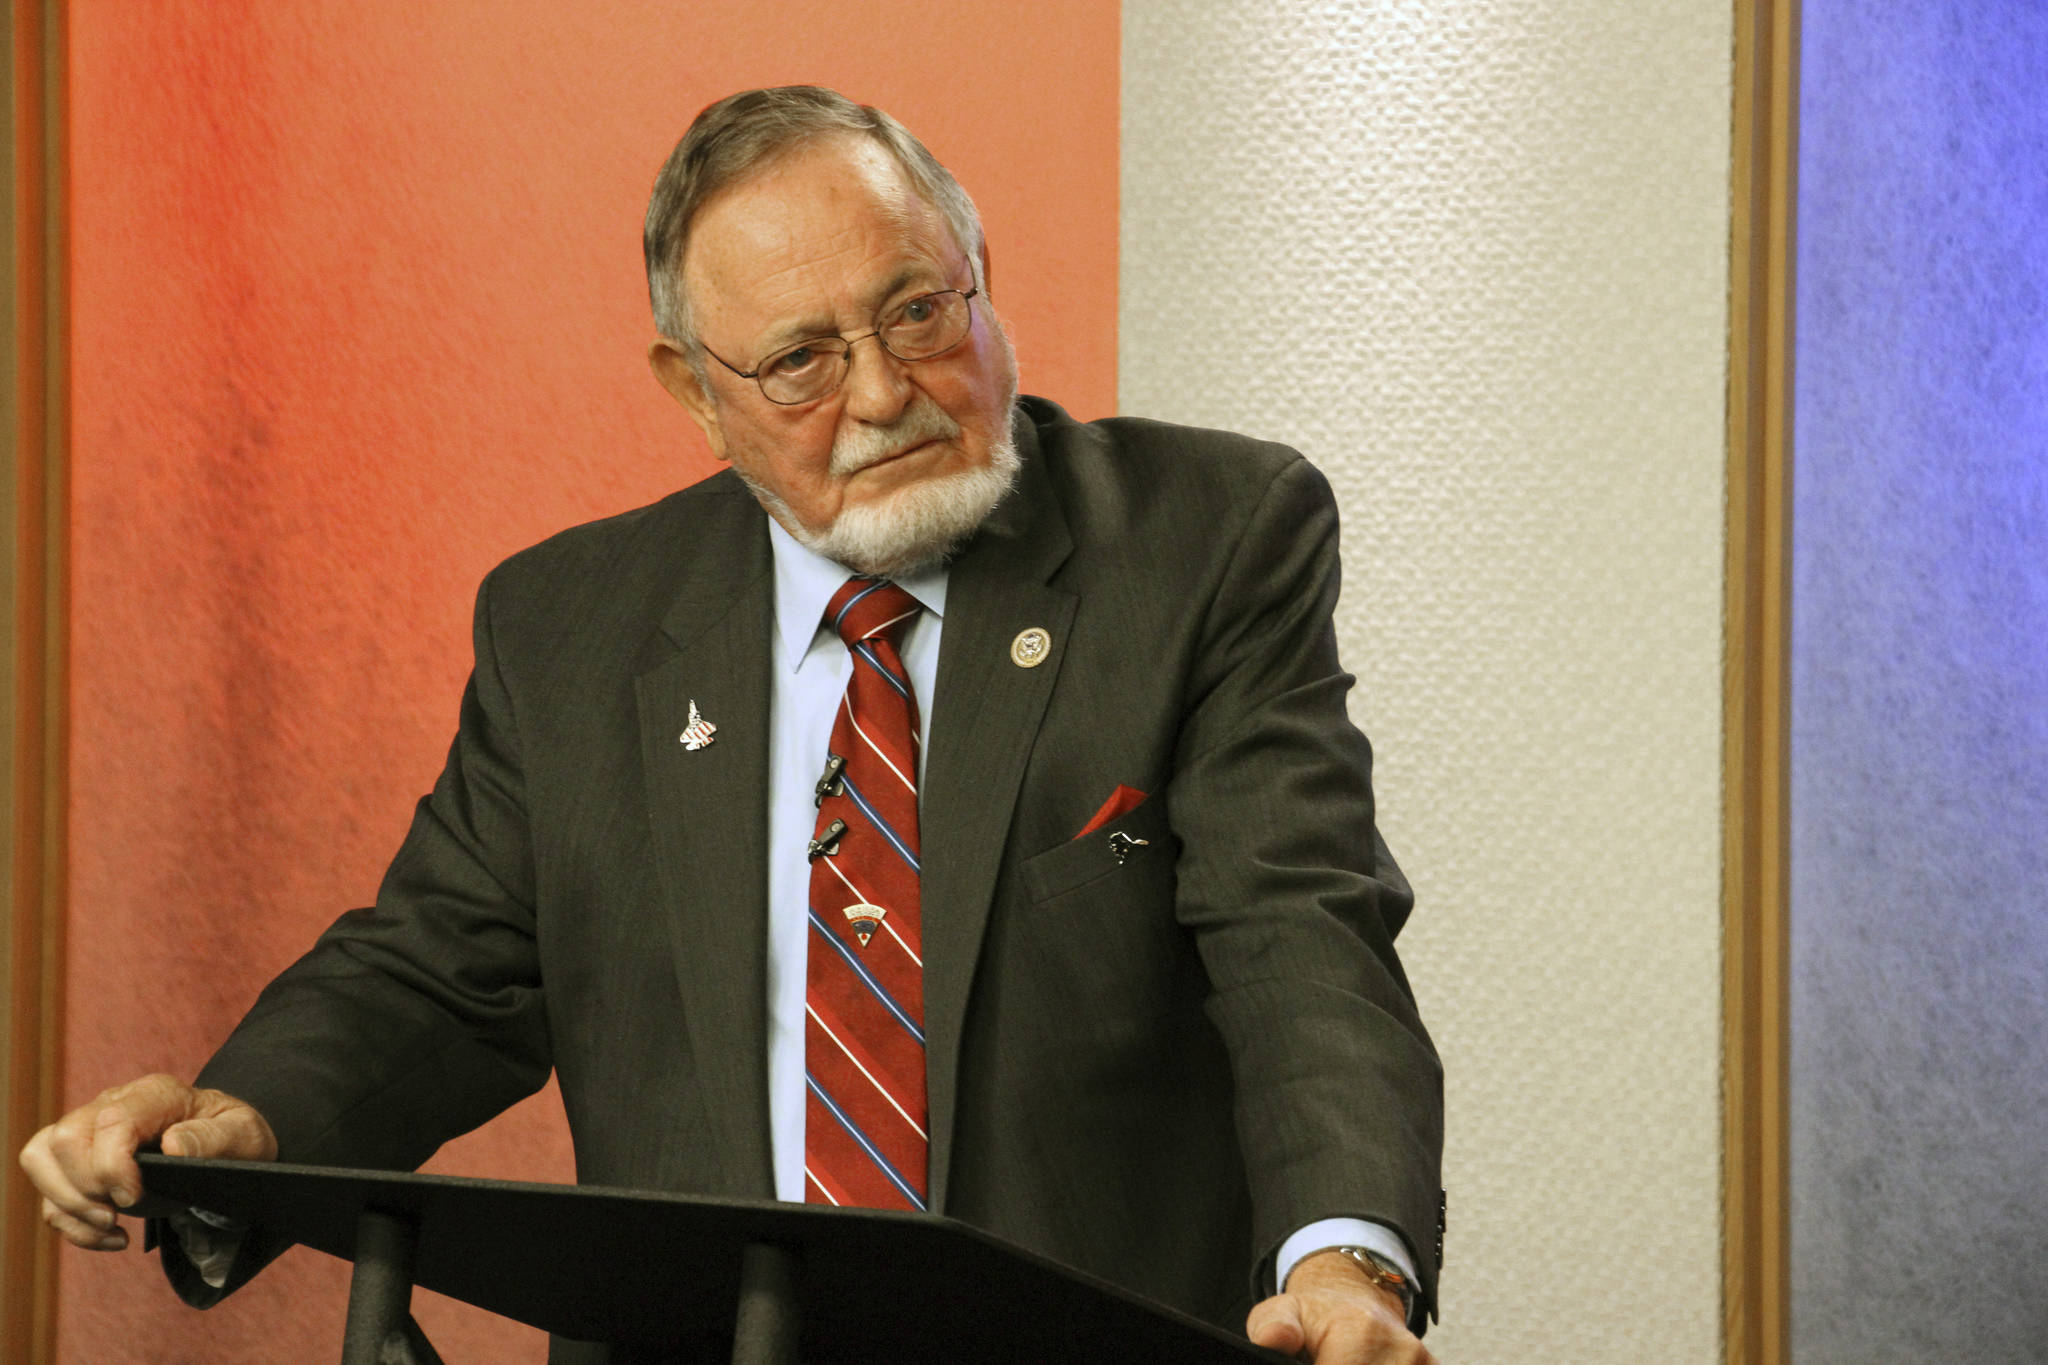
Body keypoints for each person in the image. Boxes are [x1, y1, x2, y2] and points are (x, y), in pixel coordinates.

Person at [21, 87, 1444, 1364]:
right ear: (697, 395)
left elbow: (1298, 932)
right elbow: (440, 970)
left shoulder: (1205, 544)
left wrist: (1340, 1256)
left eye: (918, 314)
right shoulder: (572, 624)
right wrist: (238, 1122)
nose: (884, 394)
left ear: (982, 282)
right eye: (800, 365)